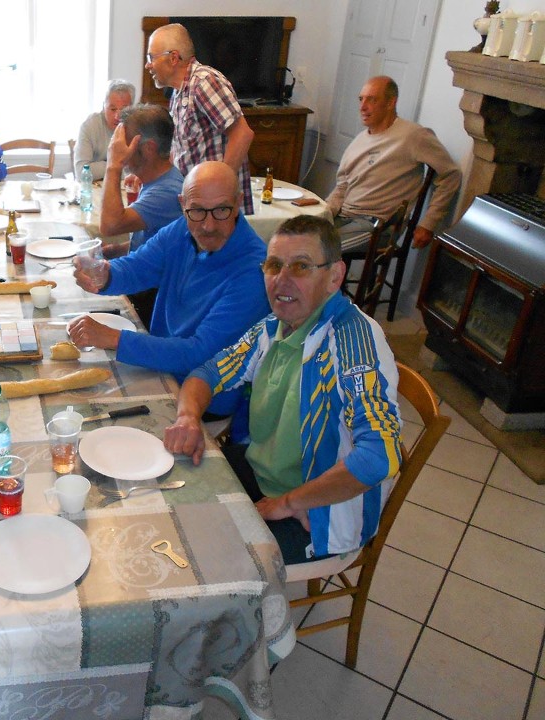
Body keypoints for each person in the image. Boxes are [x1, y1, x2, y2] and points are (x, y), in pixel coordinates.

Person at [163, 215, 403, 564]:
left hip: (319, 514)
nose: (281, 280)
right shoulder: (274, 326)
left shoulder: (353, 343)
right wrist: (187, 417)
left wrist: (291, 502)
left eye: (301, 266)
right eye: (274, 265)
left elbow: (380, 457)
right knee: (171, 490)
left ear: (334, 276)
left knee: (207, 559)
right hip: (261, 474)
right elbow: (207, 373)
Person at [69, 161, 269, 384]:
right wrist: (104, 275)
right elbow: (137, 267)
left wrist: (115, 339)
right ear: (182, 204)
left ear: (239, 202)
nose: (208, 226)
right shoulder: (182, 229)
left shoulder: (254, 271)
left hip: (205, 394)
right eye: (197, 210)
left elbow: (200, 354)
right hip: (161, 367)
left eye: (222, 210)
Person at [326, 76, 462, 251]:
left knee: (319, 251)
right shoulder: (358, 141)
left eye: (372, 99)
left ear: (391, 103)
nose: (362, 107)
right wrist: (323, 214)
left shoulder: (414, 136)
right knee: (298, 238)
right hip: (344, 217)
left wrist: (428, 223)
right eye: (361, 99)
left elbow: (451, 174)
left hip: (377, 226)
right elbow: (342, 187)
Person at [145, 23, 255, 216]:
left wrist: (220, 186)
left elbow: (242, 134)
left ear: (173, 58)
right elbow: (179, 154)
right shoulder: (178, 92)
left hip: (217, 209)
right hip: (198, 207)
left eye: (151, 57)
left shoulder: (204, 82)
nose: (148, 65)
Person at [99, 103, 184, 257]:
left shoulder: (167, 192)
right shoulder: (158, 180)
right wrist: (113, 250)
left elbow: (109, 226)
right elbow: (152, 243)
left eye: (125, 142)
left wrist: (113, 165)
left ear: (149, 148)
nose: (118, 148)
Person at [74, 79, 135, 180]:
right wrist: (116, 164)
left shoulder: (137, 126)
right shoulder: (90, 125)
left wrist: (101, 167)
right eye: (112, 109)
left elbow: (140, 170)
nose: (117, 116)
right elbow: (81, 172)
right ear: (103, 106)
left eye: (124, 110)